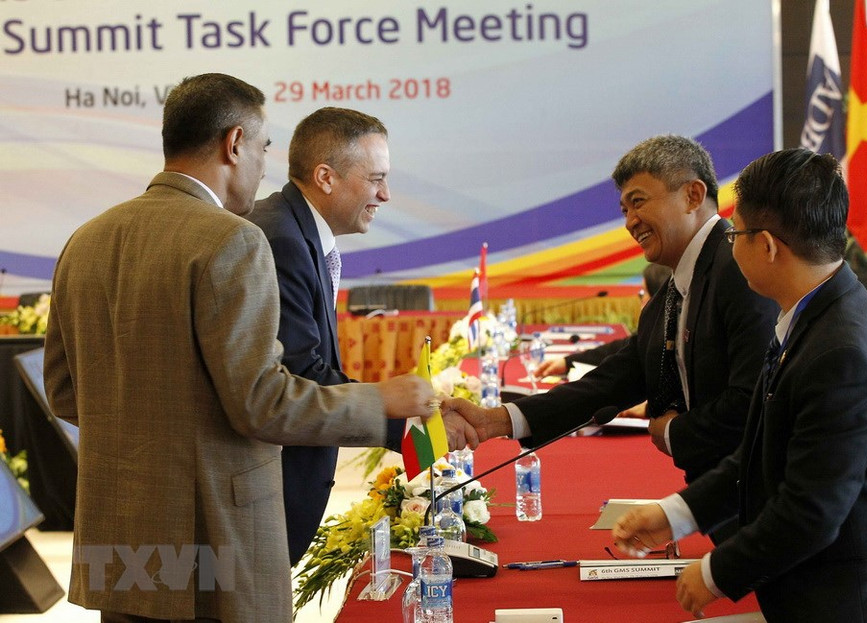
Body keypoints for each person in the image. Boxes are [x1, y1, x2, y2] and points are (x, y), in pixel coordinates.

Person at [43, 74, 436, 623]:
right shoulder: (232, 238)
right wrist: (381, 402)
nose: (264, 164)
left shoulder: (85, 239)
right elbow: (261, 404)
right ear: (234, 144)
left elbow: (63, 395)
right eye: (264, 147)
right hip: (213, 543)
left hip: (119, 544)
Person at [612, 148, 867, 620]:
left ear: (766, 245)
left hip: (859, 602)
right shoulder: (815, 310)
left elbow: (812, 511)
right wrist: (676, 514)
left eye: (736, 235)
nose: (729, 246)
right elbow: (761, 450)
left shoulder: (839, 351)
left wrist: (715, 573)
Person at [445, 135, 778, 494]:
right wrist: (495, 421)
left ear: (693, 196)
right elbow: (610, 383)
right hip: (721, 494)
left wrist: (672, 432)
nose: (631, 222)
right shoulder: (674, 290)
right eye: (625, 211)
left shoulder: (738, 267)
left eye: (639, 203)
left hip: (758, 497)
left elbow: (756, 399)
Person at [247, 107, 403, 566]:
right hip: (261, 491)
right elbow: (300, 374)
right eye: (376, 178)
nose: (386, 194)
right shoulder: (280, 238)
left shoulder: (299, 232)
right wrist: (403, 417)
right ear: (326, 177)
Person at [532, 263, 671, 380]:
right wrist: (567, 362)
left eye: (643, 292)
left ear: (657, 296)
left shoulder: (667, 338)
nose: (640, 298)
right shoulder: (653, 330)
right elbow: (619, 349)